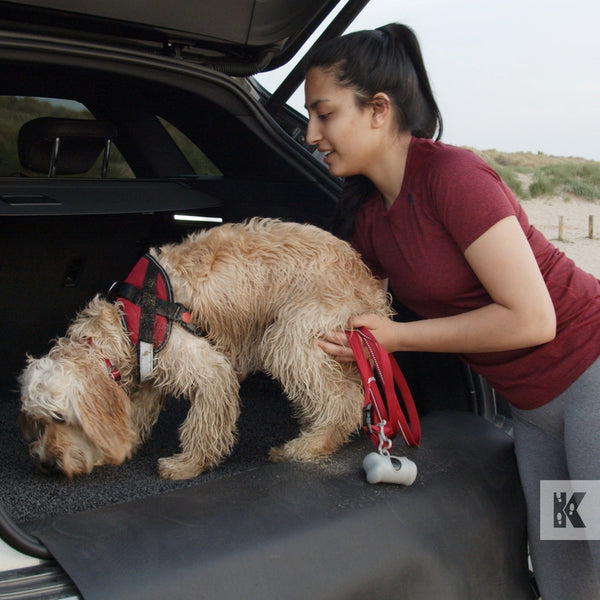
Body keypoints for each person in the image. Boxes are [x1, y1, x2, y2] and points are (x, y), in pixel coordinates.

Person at [303, 23, 600, 600]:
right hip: (538, 415)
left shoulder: (454, 178)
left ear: (379, 110)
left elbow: (532, 319)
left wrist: (399, 337)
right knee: (569, 569)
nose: (310, 132)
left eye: (323, 113)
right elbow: (356, 307)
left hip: (590, 381)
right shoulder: (370, 216)